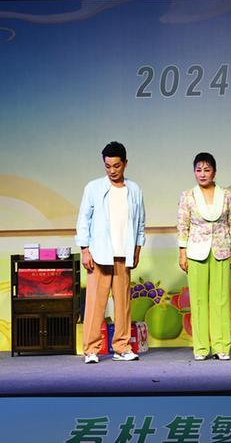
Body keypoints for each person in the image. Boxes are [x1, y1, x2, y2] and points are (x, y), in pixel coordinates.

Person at [76, 141, 145, 364]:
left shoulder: (134, 189)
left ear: (125, 163)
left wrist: (137, 249)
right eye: (107, 166)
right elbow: (83, 220)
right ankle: (91, 349)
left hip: (123, 254)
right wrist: (85, 250)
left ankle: (122, 347)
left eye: (116, 166)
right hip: (99, 254)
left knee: (123, 304)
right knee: (95, 303)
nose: (112, 171)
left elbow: (140, 223)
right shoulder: (93, 188)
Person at [177, 152, 231, 361]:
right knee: (197, 300)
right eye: (198, 170)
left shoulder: (227, 194)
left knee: (221, 300)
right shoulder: (188, 195)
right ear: (194, 172)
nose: (202, 174)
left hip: (221, 251)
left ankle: (222, 347)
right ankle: (201, 348)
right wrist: (182, 253)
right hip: (196, 251)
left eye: (207, 169)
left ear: (214, 171)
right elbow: (183, 225)